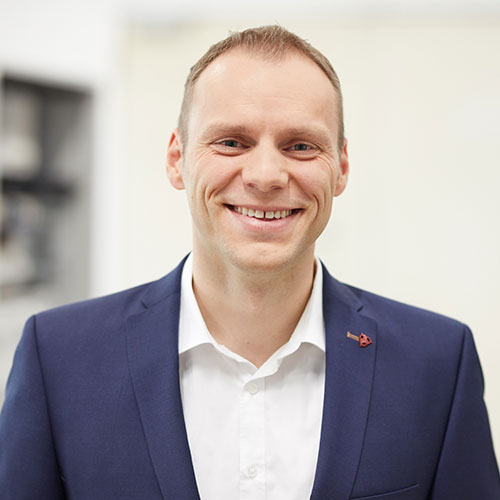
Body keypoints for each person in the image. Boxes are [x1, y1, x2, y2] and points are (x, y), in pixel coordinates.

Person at [0, 25, 498, 500]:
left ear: (341, 167)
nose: (265, 175)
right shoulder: (58, 358)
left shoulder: (437, 363)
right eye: (231, 142)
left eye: (300, 146)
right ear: (177, 159)